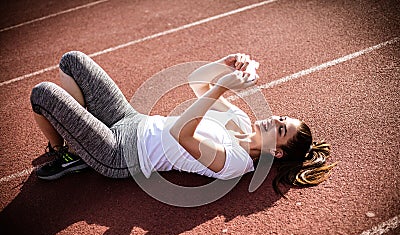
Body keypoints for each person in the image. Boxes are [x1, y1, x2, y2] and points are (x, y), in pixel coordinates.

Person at [30, 51, 336, 195]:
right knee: (73, 61)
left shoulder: (235, 162)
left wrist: (224, 88)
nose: (274, 119)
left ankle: (65, 151)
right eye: (281, 117)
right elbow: (197, 82)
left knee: (43, 94)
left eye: (280, 129)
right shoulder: (241, 121)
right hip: (131, 119)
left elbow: (180, 133)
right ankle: (82, 142)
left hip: (120, 154)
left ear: (277, 152)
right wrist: (225, 64)